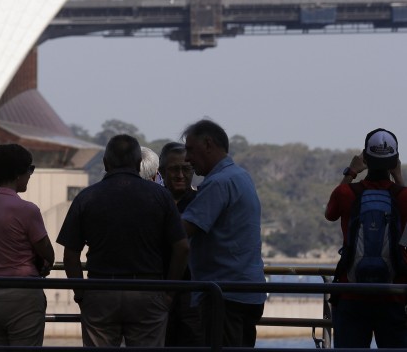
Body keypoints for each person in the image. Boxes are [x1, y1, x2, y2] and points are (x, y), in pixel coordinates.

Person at [57, 134, 188, 347]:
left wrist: (81, 294)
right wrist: (168, 295)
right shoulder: (160, 197)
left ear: (105, 163)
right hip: (148, 290)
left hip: (100, 290)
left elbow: (70, 255)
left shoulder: (87, 197)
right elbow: (182, 248)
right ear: (138, 164)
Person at [182, 118, 267, 348]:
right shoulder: (240, 177)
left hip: (224, 295)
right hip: (248, 291)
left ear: (208, 144)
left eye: (190, 149)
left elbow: (183, 231)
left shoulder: (218, 184)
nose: (187, 158)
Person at [325, 128, 407, 348]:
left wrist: (351, 172)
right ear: (395, 160)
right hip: (394, 295)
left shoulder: (345, 193)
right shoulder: (404, 196)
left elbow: (330, 214)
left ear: (365, 158)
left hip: (351, 294)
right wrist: (398, 177)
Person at [0, 143, 54, 347]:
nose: (30, 175)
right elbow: (47, 252)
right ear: (18, 173)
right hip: (22, 294)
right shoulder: (27, 210)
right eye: (30, 169)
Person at [158, 141, 200, 347]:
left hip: (193, 292)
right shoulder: (152, 202)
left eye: (186, 168)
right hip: (157, 288)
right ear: (161, 172)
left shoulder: (203, 202)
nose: (180, 175)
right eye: (174, 169)